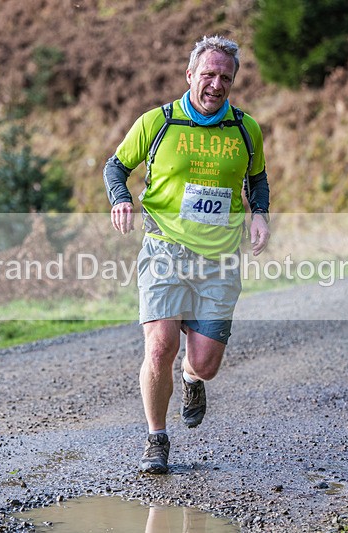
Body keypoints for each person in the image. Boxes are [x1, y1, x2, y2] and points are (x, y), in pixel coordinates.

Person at [102, 35, 270, 474]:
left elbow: (258, 178)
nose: (216, 84)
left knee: (205, 363)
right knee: (160, 346)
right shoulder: (157, 123)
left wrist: (261, 214)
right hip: (165, 249)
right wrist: (120, 197)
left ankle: (193, 380)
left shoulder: (246, 129)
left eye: (225, 78)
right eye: (208, 74)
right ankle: (156, 438)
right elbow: (115, 166)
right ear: (190, 75)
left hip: (219, 259)